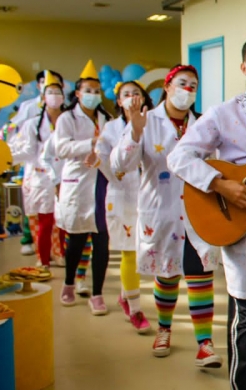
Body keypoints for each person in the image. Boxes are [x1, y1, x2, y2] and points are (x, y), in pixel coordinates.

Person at [169, 34, 246, 390]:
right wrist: (221, 184)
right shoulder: (222, 114)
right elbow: (180, 156)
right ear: (243, 67)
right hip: (243, 226)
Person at [112, 64, 221, 369]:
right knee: (168, 272)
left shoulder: (203, 124)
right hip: (161, 211)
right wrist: (134, 129)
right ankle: (164, 329)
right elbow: (120, 164)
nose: (188, 90)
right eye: (182, 83)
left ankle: (204, 343)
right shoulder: (147, 121)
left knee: (200, 274)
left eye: (193, 86)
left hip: (198, 211)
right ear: (168, 86)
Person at [54, 61, 112, 314]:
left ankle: (97, 294)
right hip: (78, 183)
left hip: (102, 184)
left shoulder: (107, 119)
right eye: (88, 91)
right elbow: (62, 148)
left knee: (102, 242)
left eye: (96, 91)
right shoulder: (68, 118)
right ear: (77, 94)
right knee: (76, 240)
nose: (93, 96)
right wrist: (92, 142)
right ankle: (69, 284)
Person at [96, 81, 152, 333]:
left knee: (143, 251)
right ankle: (136, 309)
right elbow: (105, 161)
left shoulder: (153, 123)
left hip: (149, 196)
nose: (131, 98)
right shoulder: (110, 129)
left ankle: (124, 295)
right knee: (130, 251)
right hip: (123, 196)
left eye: (136, 94)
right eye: (126, 95)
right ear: (119, 102)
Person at [9, 72, 66, 268]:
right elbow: (27, 150)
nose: (54, 96)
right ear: (43, 97)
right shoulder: (33, 124)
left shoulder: (69, 120)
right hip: (42, 179)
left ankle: (61, 254)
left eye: (57, 92)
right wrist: (6, 157)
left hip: (66, 178)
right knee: (45, 221)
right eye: (50, 92)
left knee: (64, 222)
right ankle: (43, 260)